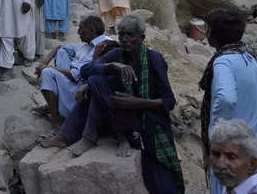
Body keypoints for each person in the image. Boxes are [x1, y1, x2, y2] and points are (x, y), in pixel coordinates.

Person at [44, 15, 184, 194]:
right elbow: (86, 70)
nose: (125, 39)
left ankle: (95, 137)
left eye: (131, 35)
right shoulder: (117, 54)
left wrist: (136, 103)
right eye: (122, 35)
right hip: (118, 112)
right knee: (95, 80)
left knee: (160, 182)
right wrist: (112, 66)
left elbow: (169, 102)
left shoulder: (154, 59)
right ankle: (113, 137)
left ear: (142, 38)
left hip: (145, 116)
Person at [199, 9, 257, 194]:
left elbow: (226, 99)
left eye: (206, 28)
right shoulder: (249, 57)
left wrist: (217, 133)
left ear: (212, 33)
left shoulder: (223, 62)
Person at [35, 16, 112, 129]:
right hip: (75, 81)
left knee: (47, 73)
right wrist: (45, 61)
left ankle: (57, 121)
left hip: (84, 89)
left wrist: (47, 68)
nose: (78, 32)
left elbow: (75, 76)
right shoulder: (87, 45)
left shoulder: (103, 45)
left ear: (92, 29)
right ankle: (55, 104)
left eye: (81, 29)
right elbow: (60, 47)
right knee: (62, 52)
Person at [210, 119, 257, 194]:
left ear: (252, 164)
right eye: (215, 154)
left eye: (231, 157)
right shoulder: (232, 185)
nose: (220, 164)